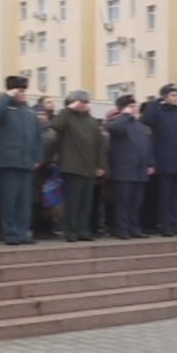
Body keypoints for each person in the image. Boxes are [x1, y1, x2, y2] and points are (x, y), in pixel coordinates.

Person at [0, 76, 44, 245]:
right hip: (9, 162)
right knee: (9, 200)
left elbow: (38, 138)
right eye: (19, 90)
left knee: (25, 201)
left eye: (23, 91)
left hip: (27, 163)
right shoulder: (4, 108)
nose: (22, 94)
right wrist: (7, 96)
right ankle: (10, 233)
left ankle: (23, 232)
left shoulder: (29, 112)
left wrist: (37, 158)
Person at [50, 90, 106, 242]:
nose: (84, 105)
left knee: (86, 203)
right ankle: (71, 231)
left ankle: (83, 230)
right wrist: (69, 108)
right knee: (73, 203)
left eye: (86, 102)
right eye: (81, 102)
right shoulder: (67, 117)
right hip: (73, 167)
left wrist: (100, 166)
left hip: (89, 168)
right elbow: (56, 125)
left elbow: (100, 145)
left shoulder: (92, 122)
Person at [143, 84, 177, 236]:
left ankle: (176, 223)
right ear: (165, 97)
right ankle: (165, 225)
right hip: (164, 162)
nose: (176, 98)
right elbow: (146, 119)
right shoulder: (159, 113)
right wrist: (158, 101)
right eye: (172, 95)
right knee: (165, 196)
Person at [106, 94, 154, 239]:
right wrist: (124, 115)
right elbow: (116, 130)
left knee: (136, 202)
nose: (135, 109)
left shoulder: (140, 126)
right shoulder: (117, 123)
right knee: (123, 202)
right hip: (124, 170)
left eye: (135, 106)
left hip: (140, 170)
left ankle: (134, 228)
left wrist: (150, 163)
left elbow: (147, 146)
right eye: (131, 106)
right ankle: (122, 229)